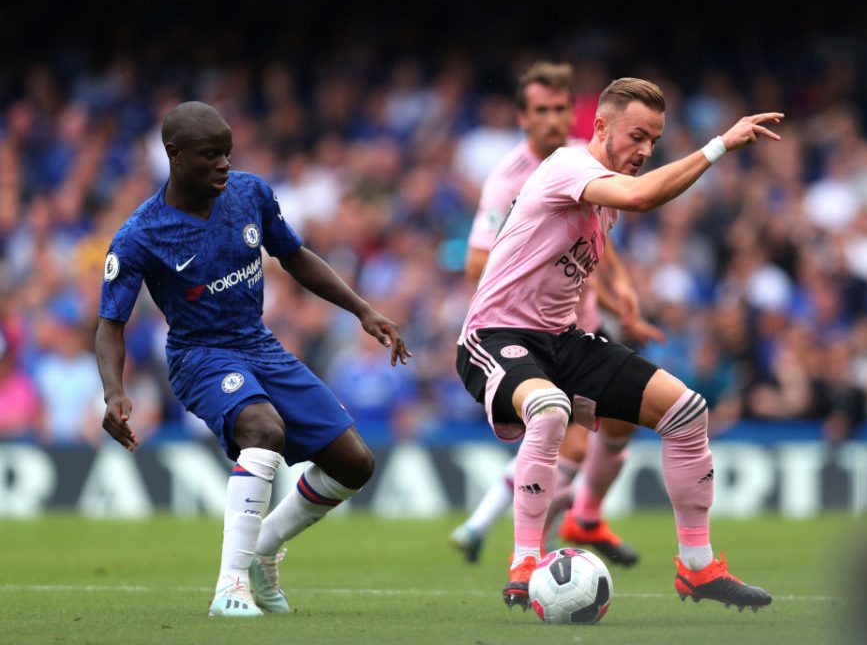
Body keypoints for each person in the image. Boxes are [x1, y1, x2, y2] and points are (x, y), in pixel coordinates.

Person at [456, 77, 781, 610]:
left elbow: (582, 259)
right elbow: (643, 197)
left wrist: (623, 303)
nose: (646, 150)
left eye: (654, 139)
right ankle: (525, 561)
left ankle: (697, 569)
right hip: (496, 334)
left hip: (562, 341)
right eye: (637, 136)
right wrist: (719, 144)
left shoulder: (598, 194)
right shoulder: (567, 165)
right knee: (550, 407)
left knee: (686, 411)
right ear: (601, 126)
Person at [95, 101, 411, 618]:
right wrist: (114, 392)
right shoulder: (139, 235)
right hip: (201, 356)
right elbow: (110, 325)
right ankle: (230, 587)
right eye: (210, 155)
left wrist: (362, 310)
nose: (223, 164)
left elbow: (295, 255)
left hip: (259, 344)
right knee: (264, 429)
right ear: (173, 155)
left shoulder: (250, 193)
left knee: (355, 464)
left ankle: (262, 549)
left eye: (227, 153)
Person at [449, 62, 664, 568]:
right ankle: (528, 545)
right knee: (561, 435)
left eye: (561, 109)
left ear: (579, 114)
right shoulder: (509, 181)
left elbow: (596, 239)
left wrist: (621, 296)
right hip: (524, 331)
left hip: (579, 328)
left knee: (618, 424)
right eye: (540, 111)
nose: (552, 120)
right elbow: (478, 262)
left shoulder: (594, 162)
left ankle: (574, 520)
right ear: (522, 118)